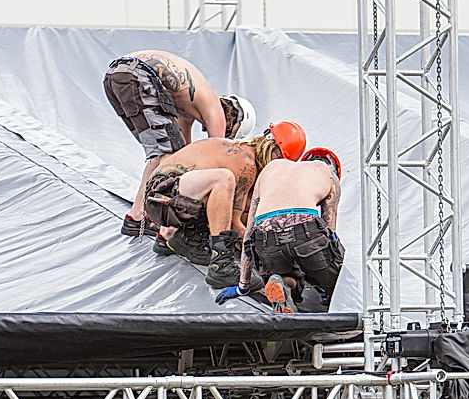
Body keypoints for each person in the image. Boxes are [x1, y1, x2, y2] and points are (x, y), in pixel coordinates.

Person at [103, 49, 256, 236]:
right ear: (233, 123)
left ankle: (139, 215)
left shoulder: (191, 106)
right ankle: (139, 217)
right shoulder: (216, 112)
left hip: (117, 74)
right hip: (139, 76)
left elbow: (182, 156)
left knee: (161, 154)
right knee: (165, 155)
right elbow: (214, 160)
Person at [143, 122, 307, 288]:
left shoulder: (247, 157)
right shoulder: (246, 161)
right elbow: (234, 223)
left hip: (169, 197)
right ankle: (221, 266)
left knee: (246, 203)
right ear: (275, 153)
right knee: (223, 179)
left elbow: (244, 214)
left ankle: (188, 239)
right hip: (161, 194)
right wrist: (270, 258)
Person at [215, 147, 344, 313]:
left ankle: (282, 283)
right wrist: (331, 283)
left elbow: (249, 232)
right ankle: (329, 293)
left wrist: (243, 286)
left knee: (284, 272)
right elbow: (330, 232)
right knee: (334, 277)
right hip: (306, 232)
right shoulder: (329, 175)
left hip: (265, 236)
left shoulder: (272, 168)